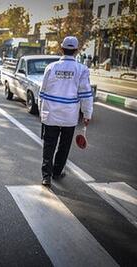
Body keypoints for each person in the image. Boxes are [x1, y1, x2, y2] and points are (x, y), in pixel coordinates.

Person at [39, 36, 93, 186]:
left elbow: (42, 92)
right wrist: (87, 114)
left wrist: (42, 112)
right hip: (69, 117)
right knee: (64, 146)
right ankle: (57, 172)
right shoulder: (82, 69)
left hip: (50, 115)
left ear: (61, 49)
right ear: (76, 51)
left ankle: (46, 177)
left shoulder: (51, 67)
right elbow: (86, 95)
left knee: (49, 146)